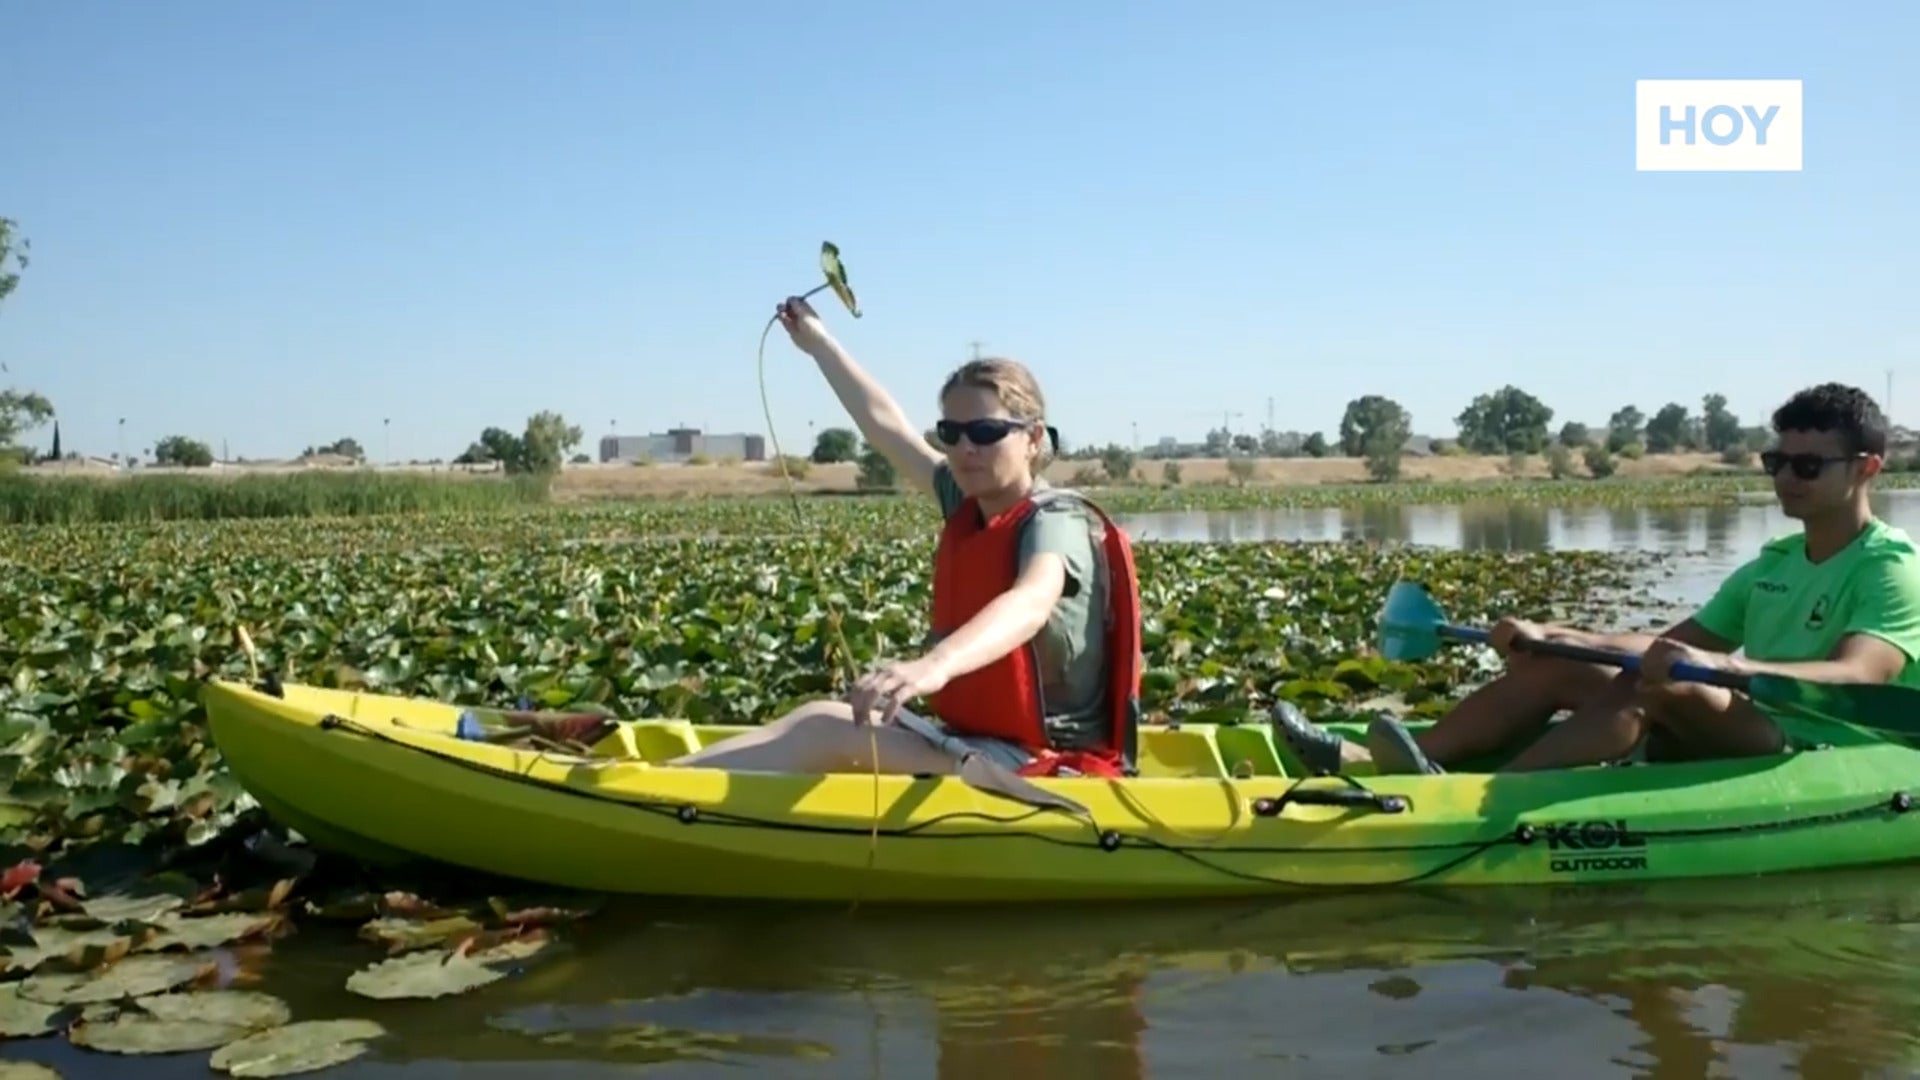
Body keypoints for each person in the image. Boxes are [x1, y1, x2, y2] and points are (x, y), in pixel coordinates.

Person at [1272, 382, 1920, 776]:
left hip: (1834, 744)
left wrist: (1732, 670)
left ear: (1866, 469)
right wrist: (1553, 634)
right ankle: (1392, 757)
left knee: (1663, 690)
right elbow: (1671, 643)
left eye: (1807, 466)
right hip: (1754, 719)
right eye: (1777, 461)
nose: (1785, 478)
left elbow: (1860, 675)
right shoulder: (1774, 563)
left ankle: (1484, 796)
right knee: (1560, 667)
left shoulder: (1888, 566)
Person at [667, 295, 1144, 778]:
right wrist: (819, 344)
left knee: (822, 733)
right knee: (819, 715)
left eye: (985, 431)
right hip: (979, 743)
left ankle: (650, 791)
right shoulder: (966, 500)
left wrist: (935, 664)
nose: (965, 448)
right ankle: (652, 779)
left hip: (1045, 763)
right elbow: (885, 426)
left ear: (1034, 438)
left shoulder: (1055, 520)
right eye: (950, 432)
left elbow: (1031, 600)